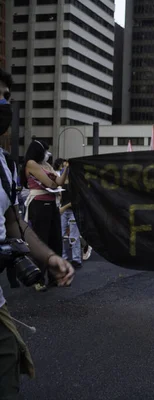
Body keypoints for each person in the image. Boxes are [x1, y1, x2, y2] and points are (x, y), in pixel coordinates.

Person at [0, 67, 74, 398]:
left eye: (6, 98)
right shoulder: (30, 166)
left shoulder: (4, 163)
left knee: (9, 365)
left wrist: (50, 257)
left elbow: (13, 222)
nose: (3, 104)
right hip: (41, 205)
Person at [21, 140, 69, 292]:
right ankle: (39, 279)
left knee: (56, 241)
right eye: (45, 151)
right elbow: (51, 184)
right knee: (42, 241)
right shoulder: (31, 163)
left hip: (52, 204)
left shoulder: (46, 165)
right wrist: (56, 183)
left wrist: (67, 169)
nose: (48, 154)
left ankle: (55, 277)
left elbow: (60, 181)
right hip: (39, 205)